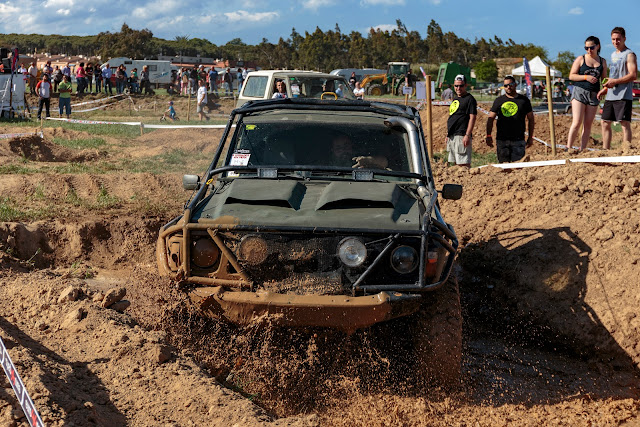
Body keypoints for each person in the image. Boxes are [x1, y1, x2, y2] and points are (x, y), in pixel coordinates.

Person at [597, 27, 637, 149]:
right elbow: (613, 76)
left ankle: (626, 151)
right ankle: (605, 150)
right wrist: (606, 88)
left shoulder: (629, 55)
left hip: (624, 95)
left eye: (618, 39)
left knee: (624, 123)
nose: (615, 42)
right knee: (604, 122)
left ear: (624, 39)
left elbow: (633, 75)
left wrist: (615, 81)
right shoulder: (613, 54)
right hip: (611, 95)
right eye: (613, 39)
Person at [567, 36, 606, 151]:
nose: (589, 50)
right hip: (580, 91)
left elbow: (604, 79)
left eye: (591, 47)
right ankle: (568, 147)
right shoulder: (581, 59)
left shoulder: (602, 61)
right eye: (586, 48)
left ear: (597, 46)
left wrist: (605, 88)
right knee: (577, 121)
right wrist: (586, 77)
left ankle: (582, 149)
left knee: (588, 124)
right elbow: (571, 75)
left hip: (594, 94)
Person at [486, 75, 534, 163]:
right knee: (504, 168)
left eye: (510, 84)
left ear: (515, 85)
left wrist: (530, 137)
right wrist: (488, 135)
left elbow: (531, 119)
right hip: (502, 140)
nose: (508, 87)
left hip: (518, 140)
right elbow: (490, 118)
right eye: (505, 85)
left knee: (518, 167)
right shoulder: (499, 100)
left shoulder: (524, 100)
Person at [445, 75, 477, 168]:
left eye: (461, 86)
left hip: (461, 135)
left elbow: (472, 117)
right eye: (456, 86)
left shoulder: (469, 99)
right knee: (455, 164)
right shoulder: (456, 99)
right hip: (452, 135)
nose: (458, 88)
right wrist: (448, 134)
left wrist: (467, 135)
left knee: (463, 164)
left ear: (465, 85)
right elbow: (453, 116)